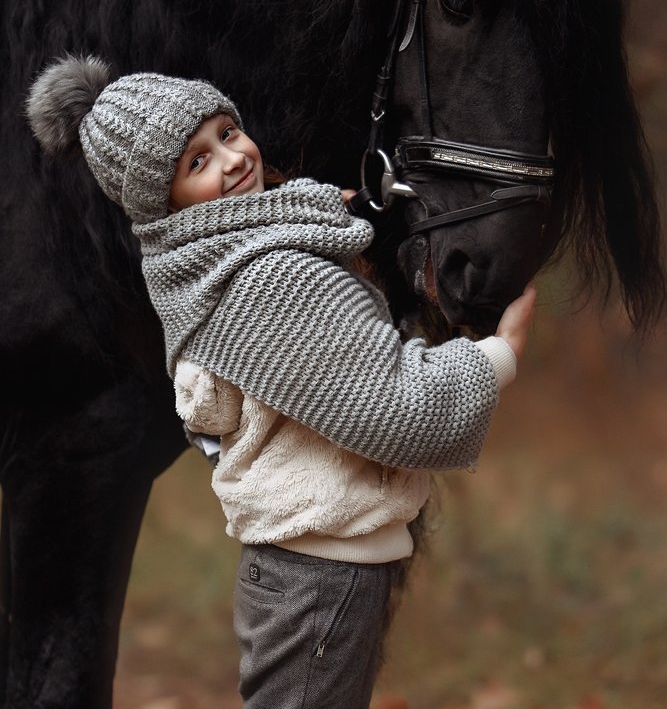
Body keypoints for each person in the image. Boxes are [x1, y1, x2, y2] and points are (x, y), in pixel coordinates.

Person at [26, 55, 536, 709]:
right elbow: (395, 408)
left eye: (225, 133)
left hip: (307, 567)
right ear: (164, 202)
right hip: (320, 575)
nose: (230, 159)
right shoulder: (260, 284)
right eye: (195, 164)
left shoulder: (214, 262)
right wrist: (499, 355)